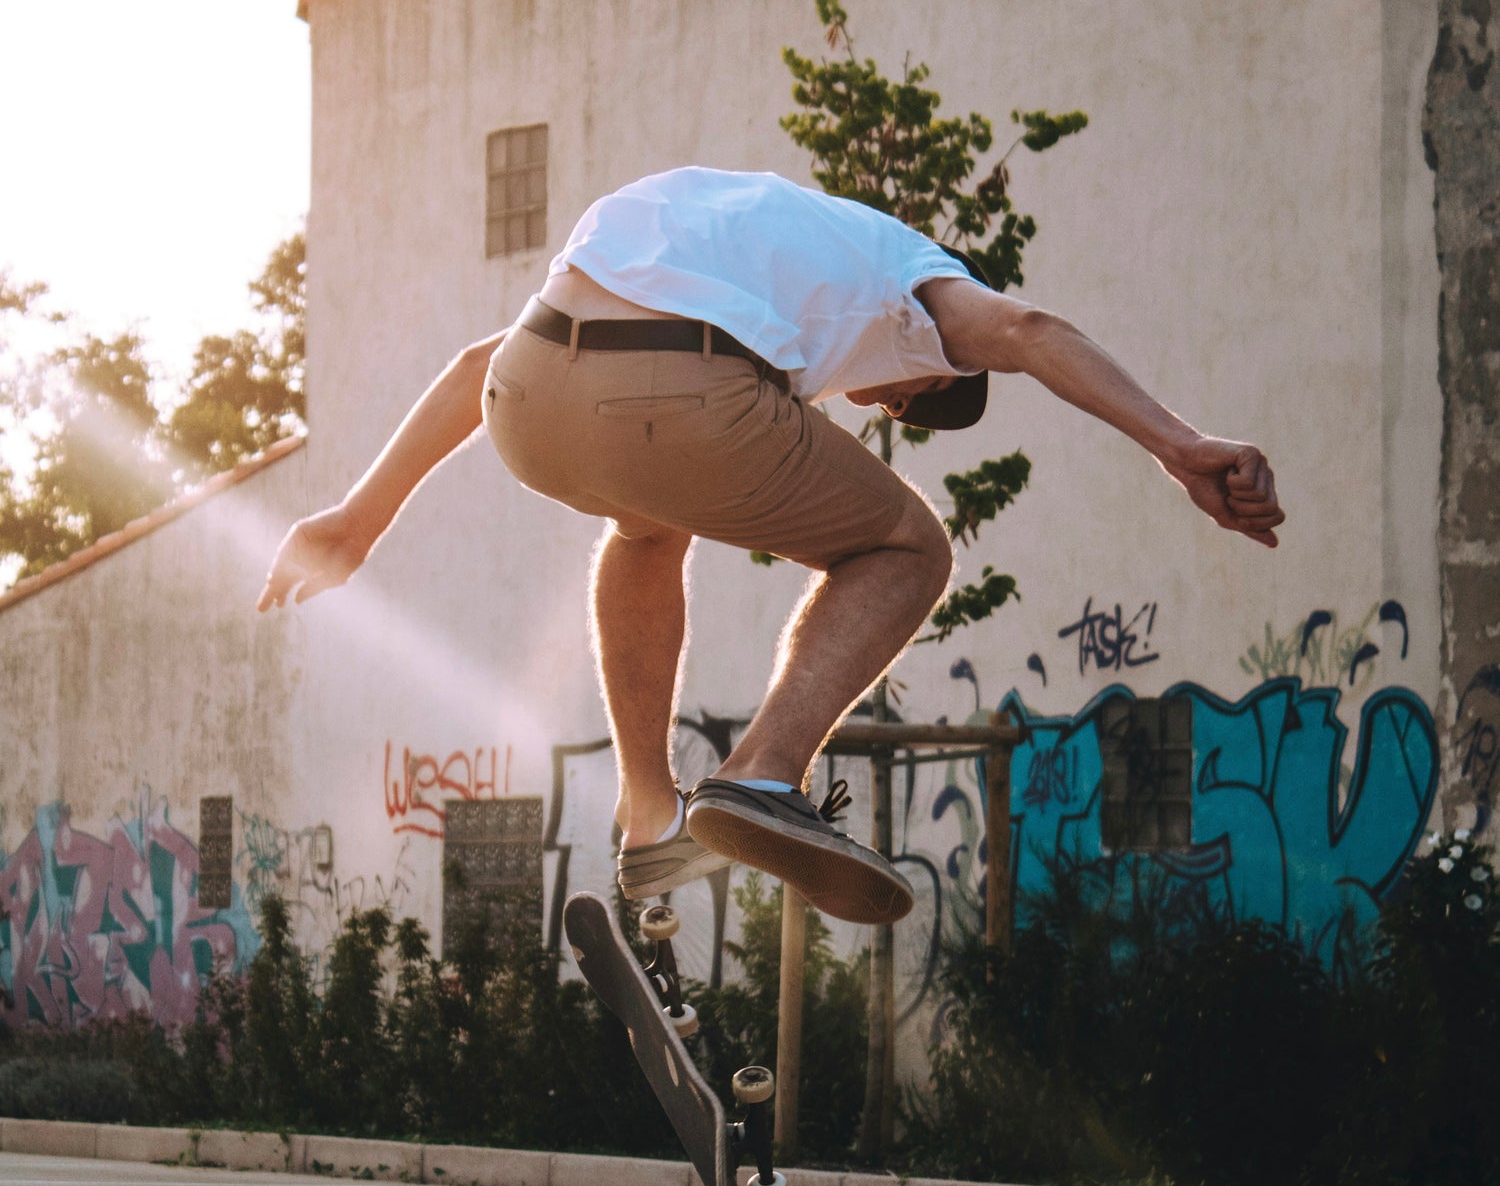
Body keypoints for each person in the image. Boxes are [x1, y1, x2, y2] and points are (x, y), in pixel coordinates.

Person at [258, 165, 1283, 925]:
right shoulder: (918, 286)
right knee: (910, 547)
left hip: (531, 391)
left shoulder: (752, 226)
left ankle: (648, 812)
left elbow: (479, 363)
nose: (873, 400)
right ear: (927, 375)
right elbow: (1027, 329)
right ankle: (762, 771)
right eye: (899, 399)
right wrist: (1178, 443)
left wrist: (357, 521)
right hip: (680, 387)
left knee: (649, 522)